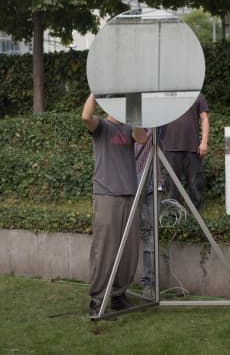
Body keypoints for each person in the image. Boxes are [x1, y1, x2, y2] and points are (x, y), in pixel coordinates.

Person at [82, 93, 147, 317]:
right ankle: (97, 300)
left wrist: (135, 113)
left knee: (128, 252)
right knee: (104, 250)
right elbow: (85, 117)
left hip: (129, 194)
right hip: (107, 195)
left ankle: (119, 296)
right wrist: (95, 93)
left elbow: (142, 139)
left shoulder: (129, 129)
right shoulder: (102, 127)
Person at [161, 93, 209, 211]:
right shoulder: (166, 96)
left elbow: (204, 119)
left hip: (192, 147)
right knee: (172, 186)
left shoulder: (198, 96)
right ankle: (174, 215)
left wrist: (204, 142)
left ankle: (195, 215)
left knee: (195, 184)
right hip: (170, 147)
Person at [135, 128, 158, 299]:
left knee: (151, 236)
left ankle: (149, 284)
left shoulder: (156, 127)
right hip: (130, 185)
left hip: (152, 185)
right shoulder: (124, 127)